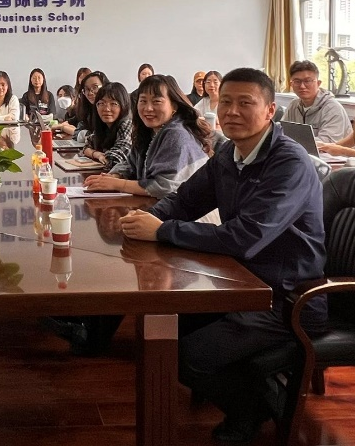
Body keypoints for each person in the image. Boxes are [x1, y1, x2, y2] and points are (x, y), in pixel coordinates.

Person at [119, 67, 326, 442]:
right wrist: (149, 218)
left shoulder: (289, 163)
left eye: (245, 103)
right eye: (226, 101)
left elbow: (246, 237)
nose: (231, 111)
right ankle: (249, 394)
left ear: (270, 110)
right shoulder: (230, 153)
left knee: (186, 354)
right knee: (160, 333)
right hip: (239, 282)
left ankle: (256, 411)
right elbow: (185, 200)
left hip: (285, 297)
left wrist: (162, 231)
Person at [85, 75, 207, 198]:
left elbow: (165, 187)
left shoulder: (177, 134)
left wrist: (118, 184)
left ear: (174, 105)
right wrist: (114, 176)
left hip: (192, 208)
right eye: (143, 101)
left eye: (156, 101)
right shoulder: (148, 131)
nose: (148, 108)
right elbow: (130, 164)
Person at [281, 60, 351, 143]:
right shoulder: (294, 105)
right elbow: (282, 131)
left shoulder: (332, 108)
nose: (302, 86)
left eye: (307, 81)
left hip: (331, 151)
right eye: (297, 82)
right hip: (300, 150)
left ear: (318, 83)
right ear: (291, 84)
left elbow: (327, 143)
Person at [79, 82, 133, 172]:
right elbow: (86, 146)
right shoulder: (104, 126)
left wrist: (102, 156)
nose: (106, 109)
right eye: (101, 103)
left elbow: (116, 158)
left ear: (124, 105)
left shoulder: (127, 124)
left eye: (113, 104)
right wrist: (97, 154)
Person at [57, 71, 107, 139]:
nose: (90, 93)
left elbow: (97, 137)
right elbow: (79, 132)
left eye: (95, 87)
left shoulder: (108, 112)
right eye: (87, 89)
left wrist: (63, 127)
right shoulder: (87, 111)